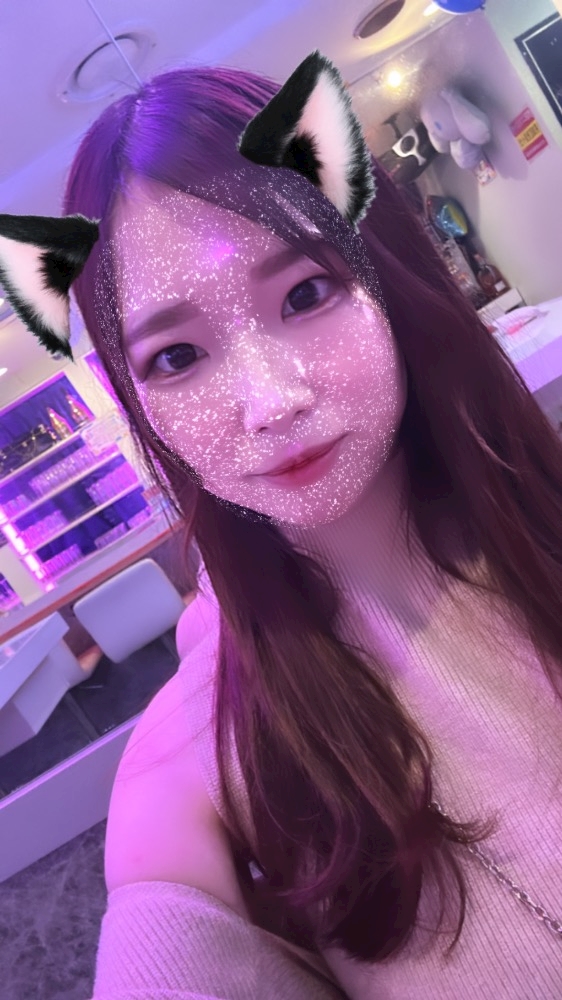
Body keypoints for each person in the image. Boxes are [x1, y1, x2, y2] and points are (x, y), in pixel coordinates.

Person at [1, 52, 561, 1000]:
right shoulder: (193, 769)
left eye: (305, 294)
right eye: (176, 356)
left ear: (384, 275)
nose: (269, 403)